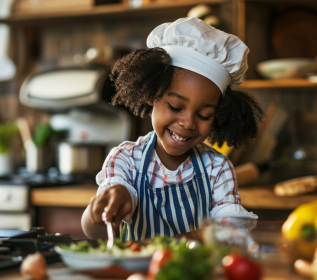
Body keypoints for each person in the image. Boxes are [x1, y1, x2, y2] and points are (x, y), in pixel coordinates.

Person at [81, 17, 264, 241]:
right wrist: (103, 209)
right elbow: (95, 231)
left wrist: (177, 243)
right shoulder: (125, 159)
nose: (188, 123)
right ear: (152, 95)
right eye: (176, 107)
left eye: (204, 115)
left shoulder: (217, 168)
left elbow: (232, 231)